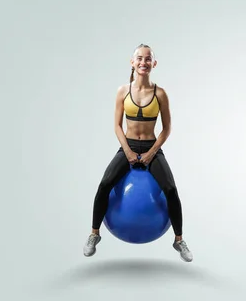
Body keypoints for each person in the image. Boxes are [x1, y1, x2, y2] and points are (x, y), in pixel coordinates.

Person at [83, 44, 193, 262]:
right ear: (132, 62)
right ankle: (94, 234)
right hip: (128, 146)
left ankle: (179, 240)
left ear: (154, 63)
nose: (144, 62)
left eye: (148, 59)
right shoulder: (122, 91)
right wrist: (127, 150)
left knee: (170, 189)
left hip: (152, 147)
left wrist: (153, 152)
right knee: (105, 185)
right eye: (139, 59)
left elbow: (167, 128)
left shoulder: (160, 93)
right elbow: (117, 125)